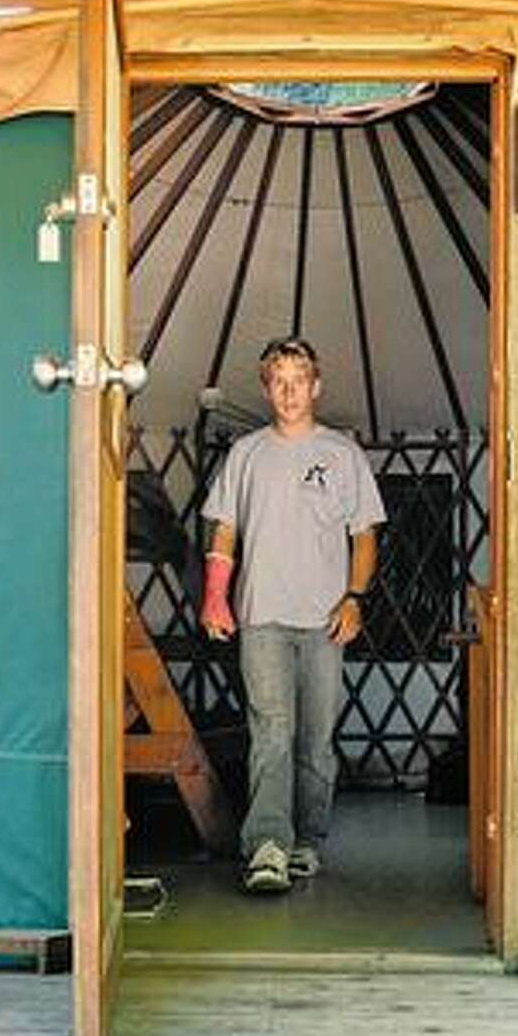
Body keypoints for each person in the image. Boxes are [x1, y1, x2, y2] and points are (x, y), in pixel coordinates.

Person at [199, 336, 386, 894]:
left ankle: (307, 841)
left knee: (316, 736)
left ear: (316, 386)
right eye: (278, 380)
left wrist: (354, 598)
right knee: (271, 730)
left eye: (298, 379)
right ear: (266, 387)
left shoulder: (343, 454)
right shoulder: (246, 454)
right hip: (261, 615)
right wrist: (215, 596)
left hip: (326, 617)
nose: (288, 391)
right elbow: (223, 529)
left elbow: (365, 536)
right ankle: (268, 847)